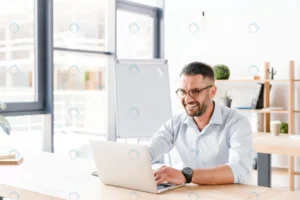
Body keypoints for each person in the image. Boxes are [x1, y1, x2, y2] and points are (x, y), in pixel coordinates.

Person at [147, 61, 253, 185]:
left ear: (212, 92)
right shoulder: (175, 123)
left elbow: (240, 169)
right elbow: (149, 152)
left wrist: (186, 175)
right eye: (183, 92)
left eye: (195, 91)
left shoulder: (237, 122)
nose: (187, 99)